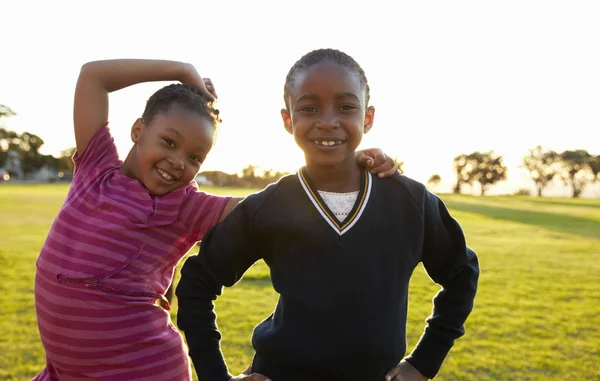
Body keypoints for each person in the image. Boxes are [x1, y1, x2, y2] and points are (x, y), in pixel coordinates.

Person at [31, 58, 397, 381]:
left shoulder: (187, 207)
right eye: (169, 142)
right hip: (65, 371)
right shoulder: (97, 168)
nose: (179, 162)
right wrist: (180, 70)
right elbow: (93, 76)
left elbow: (277, 206)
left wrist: (349, 164)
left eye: (195, 157)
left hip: (142, 368)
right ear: (138, 131)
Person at [176, 48, 480, 381]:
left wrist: (425, 361)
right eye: (309, 108)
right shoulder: (270, 205)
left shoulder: (410, 201)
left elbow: (461, 273)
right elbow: (197, 283)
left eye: (346, 107)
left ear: (368, 117)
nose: (327, 121)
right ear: (288, 120)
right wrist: (215, 376)